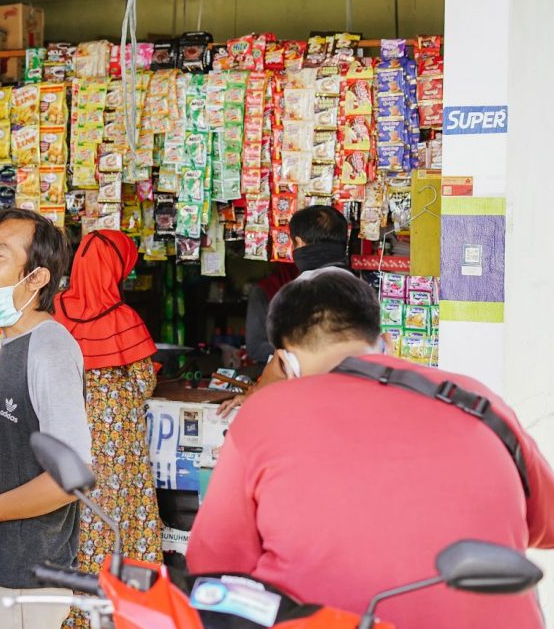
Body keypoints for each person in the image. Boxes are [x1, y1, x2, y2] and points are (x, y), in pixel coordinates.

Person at [188, 269, 554, 629]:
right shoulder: (475, 399)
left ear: (284, 362)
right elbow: (546, 525)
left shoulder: (265, 413)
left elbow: (213, 565)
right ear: (387, 343)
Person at [0, 208, 91, 629]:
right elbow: (18, 453)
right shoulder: (16, 343)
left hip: (24, 582)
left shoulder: (49, 348)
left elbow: (72, 478)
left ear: (37, 278)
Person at [52, 230, 162, 629]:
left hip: (65, 434)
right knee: (120, 521)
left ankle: (74, 617)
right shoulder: (123, 318)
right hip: (119, 448)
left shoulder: (55, 309)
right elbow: (143, 382)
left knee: (76, 521)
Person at [225, 205, 352, 417]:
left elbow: (284, 360)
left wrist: (254, 395)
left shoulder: (301, 290)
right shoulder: (359, 287)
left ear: (299, 243)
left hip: (313, 409)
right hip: (350, 406)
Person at [244, 205, 350, 363]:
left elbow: (292, 355)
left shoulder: (297, 291)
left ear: (299, 243)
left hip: (306, 382)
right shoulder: (361, 288)